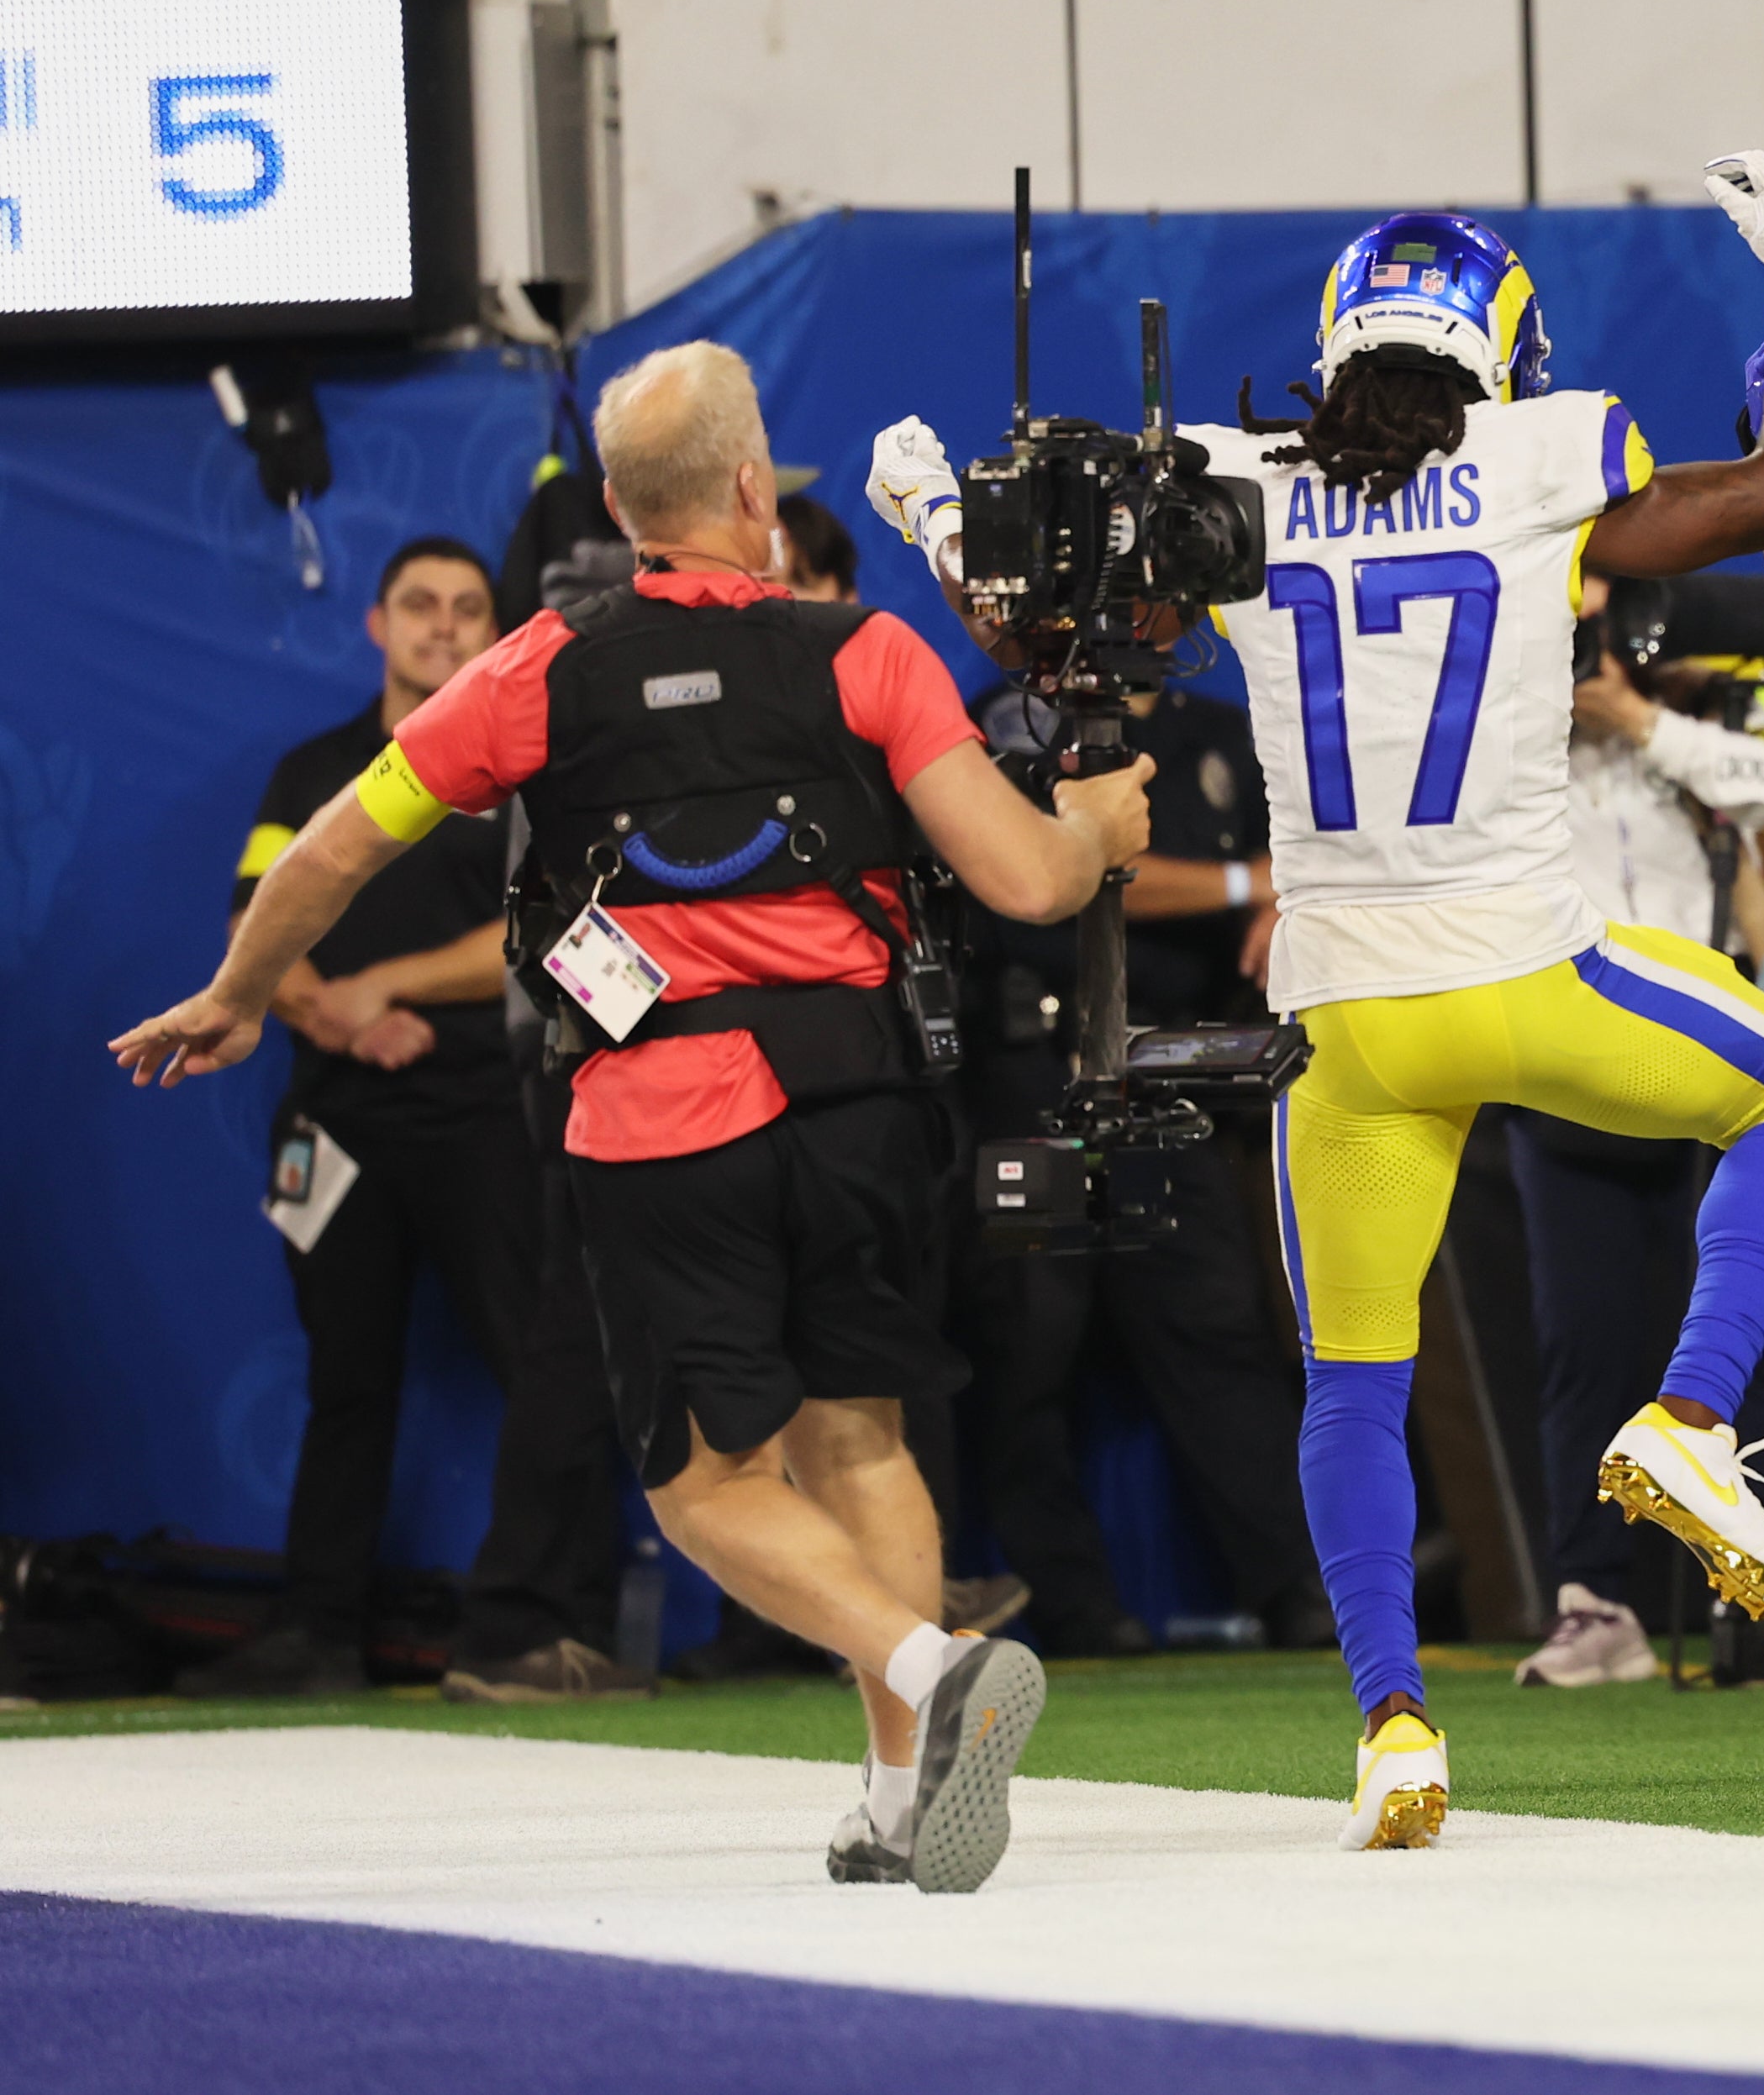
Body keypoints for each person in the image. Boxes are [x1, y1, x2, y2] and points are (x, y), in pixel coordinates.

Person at [875, 156, 1764, 1847]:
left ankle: (1395, 1728)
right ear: (1502, 349)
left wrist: (932, 518)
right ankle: (1693, 1414)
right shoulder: (1548, 456)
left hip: (1339, 1011)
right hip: (1530, 965)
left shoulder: (1243, 484)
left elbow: (1045, 628)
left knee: (1352, 1378)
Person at [121, 344, 1150, 1891]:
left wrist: (240, 993)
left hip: (666, 1113)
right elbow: (1023, 881)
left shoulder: (532, 667)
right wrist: (1095, 830)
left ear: (616, 507)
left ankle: (929, 1674)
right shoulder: (866, 650)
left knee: (701, 1485)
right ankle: (898, 1794)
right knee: (858, 1431)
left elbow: (327, 858)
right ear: (755, 489)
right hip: (864, 1099)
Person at [184, 540, 608, 1700]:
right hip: (334, 1121)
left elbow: (545, 934)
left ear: (493, 631)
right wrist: (338, 1016)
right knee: (344, 1377)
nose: (443, 626)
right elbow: (253, 927)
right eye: (420, 605)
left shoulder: (527, 777)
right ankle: (320, 1633)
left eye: (468, 609)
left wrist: (395, 985)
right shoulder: (310, 768)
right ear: (376, 623)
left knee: (543, 1366)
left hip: (486, 1113)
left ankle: (554, 1624)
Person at [959, 674, 1331, 1660]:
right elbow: (1062, 881)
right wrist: (1245, 884)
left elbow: (1298, 865)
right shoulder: (1009, 725)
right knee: (1033, 1341)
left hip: (1169, 1074)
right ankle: (1075, 1605)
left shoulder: (1218, 733)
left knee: (1219, 1329)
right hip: (1036, 1082)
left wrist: (1279, 899)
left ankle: (1296, 1582)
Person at [1511, 619, 1764, 1688]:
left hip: (1701, 1053)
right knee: (1581, 1342)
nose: (1584, 643)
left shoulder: (1680, 727)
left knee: (1751, 1326)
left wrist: (1638, 717)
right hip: (1566, 1060)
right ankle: (1596, 1603)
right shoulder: (1507, 733)